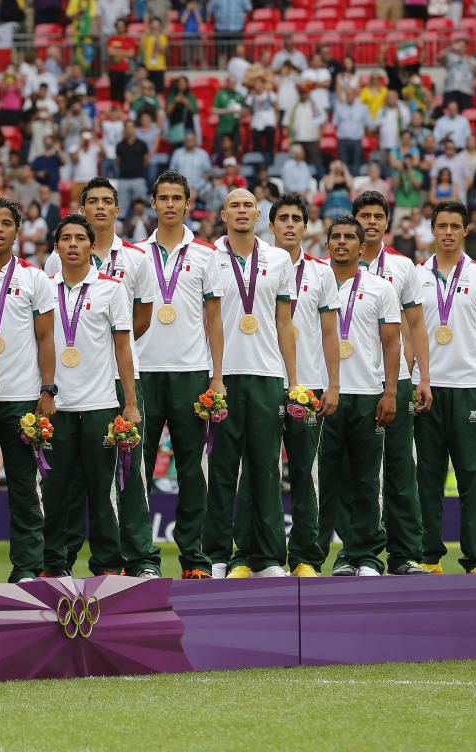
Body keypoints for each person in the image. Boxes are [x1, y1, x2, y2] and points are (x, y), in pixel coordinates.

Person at [44, 178, 162, 577]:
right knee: (67, 479)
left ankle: (136, 558)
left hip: (113, 380)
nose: (98, 206)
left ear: (117, 209)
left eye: (106, 201)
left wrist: (108, 348)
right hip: (65, 388)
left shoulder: (136, 259)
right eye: (90, 201)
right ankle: (60, 559)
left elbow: (136, 323)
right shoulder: (49, 270)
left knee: (124, 476)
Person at [201, 189, 300, 579]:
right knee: (222, 471)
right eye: (234, 205)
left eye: (248, 206)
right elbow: (211, 321)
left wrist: (293, 382)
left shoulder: (278, 259)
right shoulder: (210, 258)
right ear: (223, 214)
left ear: (259, 215)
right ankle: (218, 556)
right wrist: (216, 376)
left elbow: (284, 324)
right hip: (225, 378)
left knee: (266, 470)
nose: (241, 211)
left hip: (267, 377)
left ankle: (270, 557)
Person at [135, 171, 225, 578]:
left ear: (188, 203)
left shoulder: (207, 254)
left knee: (192, 469)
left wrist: (217, 376)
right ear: (153, 203)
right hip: (144, 372)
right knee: (137, 467)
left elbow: (216, 320)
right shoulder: (136, 255)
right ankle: (139, 559)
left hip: (191, 371)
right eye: (163, 198)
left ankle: (195, 559)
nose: (170, 204)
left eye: (177, 198)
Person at [414, 200, 476, 573]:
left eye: (455, 226)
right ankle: (429, 556)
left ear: (465, 231)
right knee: (427, 477)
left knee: (472, 476)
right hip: (428, 388)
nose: (448, 232)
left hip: (471, 386)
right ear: (432, 230)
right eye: (442, 226)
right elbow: (407, 334)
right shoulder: (414, 276)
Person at [259, 193, 341, 576]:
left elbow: (329, 333)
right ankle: (264, 556)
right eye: (283, 218)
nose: (290, 224)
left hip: (307, 387)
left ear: (306, 228)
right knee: (262, 471)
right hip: (263, 381)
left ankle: (306, 557)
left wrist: (333, 383)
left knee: (307, 473)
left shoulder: (322, 273)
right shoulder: (256, 269)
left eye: (297, 218)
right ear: (271, 225)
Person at [0, 198, 56, 582]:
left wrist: (47, 390)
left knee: (24, 487)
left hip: (22, 396)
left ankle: (27, 567)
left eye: (6, 223)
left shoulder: (35, 277)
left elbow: (46, 339)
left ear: (16, 230)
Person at [352, 191, 433, 574]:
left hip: (395, 380)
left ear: (387, 222)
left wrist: (422, 377)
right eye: (363, 216)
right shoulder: (330, 266)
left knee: (400, 469)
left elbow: (417, 325)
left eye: (377, 216)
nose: (370, 222)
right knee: (354, 473)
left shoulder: (403, 267)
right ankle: (354, 554)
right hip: (350, 382)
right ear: (353, 220)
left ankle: (405, 555)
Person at [317, 215, 402, 576]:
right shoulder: (312, 283)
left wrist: (391, 392)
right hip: (321, 394)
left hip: (367, 392)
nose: (341, 243)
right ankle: (313, 556)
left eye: (349, 237)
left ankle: (364, 556)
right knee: (323, 480)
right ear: (326, 244)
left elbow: (392, 343)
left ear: (361, 245)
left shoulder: (382, 288)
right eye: (335, 237)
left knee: (366, 479)